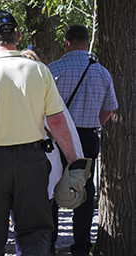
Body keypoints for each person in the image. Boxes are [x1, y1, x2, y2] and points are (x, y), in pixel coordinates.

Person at [0, 10, 79, 255]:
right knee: (34, 233)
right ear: (17, 36)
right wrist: (73, 160)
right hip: (32, 161)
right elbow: (57, 122)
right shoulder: (40, 71)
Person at [47, 24, 118, 256]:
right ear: (87, 42)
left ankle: (49, 241)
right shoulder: (102, 72)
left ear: (66, 42)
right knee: (84, 189)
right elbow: (109, 108)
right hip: (87, 136)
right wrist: (93, 122)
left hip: (57, 136)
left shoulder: (52, 70)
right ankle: (81, 246)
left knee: (53, 186)